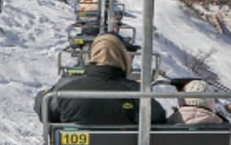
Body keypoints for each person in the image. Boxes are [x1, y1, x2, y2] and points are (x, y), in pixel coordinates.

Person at [35, 33, 167, 126]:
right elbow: (158, 119)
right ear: (122, 58)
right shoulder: (136, 92)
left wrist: (43, 96)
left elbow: (47, 112)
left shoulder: (67, 89)